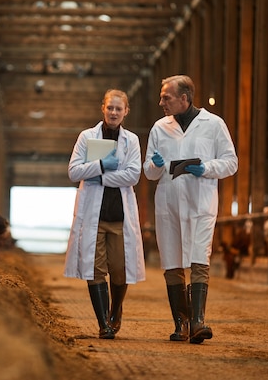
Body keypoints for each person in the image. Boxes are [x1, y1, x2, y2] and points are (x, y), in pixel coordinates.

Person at [143, 75, 238, 344]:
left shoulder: (214, 124)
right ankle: (181, 324)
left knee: (199, 259)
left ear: (184, 98)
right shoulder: (159, 128)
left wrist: (207, 168)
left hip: (201, 203)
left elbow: (231, 163)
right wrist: (156, 165)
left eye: (166, 97)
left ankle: (198, 322)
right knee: (172, 262)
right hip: (169, 204)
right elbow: (148, 172)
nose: (161, 102)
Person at [64, 89, 146, 339]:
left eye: (118, 109)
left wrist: (98, 176)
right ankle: (104, 324)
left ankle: (115, 310)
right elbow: (73, 172)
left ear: (125, 112)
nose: (113, 112)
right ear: (103, 108)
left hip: (120, 217)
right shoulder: (87, 137)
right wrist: (99, 165)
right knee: (95, 268)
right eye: (110, 107)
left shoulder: (131, 140)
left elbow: (133, 175)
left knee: (120, 270)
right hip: (93, 216)